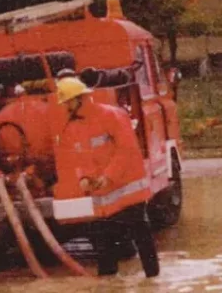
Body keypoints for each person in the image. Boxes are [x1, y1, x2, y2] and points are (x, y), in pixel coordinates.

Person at [54, 76, 160, 278]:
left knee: (142, 238)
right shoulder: (74, 126)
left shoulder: (111, 115)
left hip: (129, 192)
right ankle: (109, 286)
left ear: (79, 99)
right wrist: (83, 178)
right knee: (104, 250)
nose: (65, 106)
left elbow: (126, 150)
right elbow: (80, 158)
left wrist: (108, 177)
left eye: (67, 101)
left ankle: (153, 283)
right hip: (103, 198)